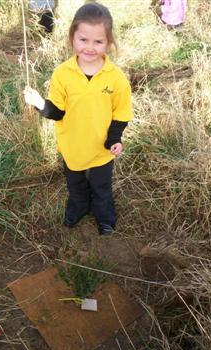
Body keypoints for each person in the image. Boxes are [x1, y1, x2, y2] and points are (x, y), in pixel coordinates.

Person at [23, 2, 133, 235]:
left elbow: (121, 113)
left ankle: (105, 218)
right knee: (76, 185)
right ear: (72, 37)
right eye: (83, 40)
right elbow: (58, 112)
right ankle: (79, 208)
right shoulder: (62, 74)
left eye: (98, 41)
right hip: (72, 147)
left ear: (109, 42)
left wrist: (115, 138)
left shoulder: (116, 78)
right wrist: (40, 103)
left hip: (102, 150)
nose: (90, 47)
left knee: (102, 187)